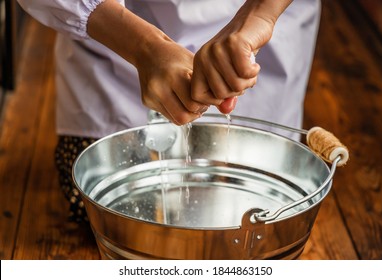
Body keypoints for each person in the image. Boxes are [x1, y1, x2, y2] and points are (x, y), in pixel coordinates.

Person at [17, 0, 321, 222]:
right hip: (114, 43)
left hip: (270, 34)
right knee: (99, 212)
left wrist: (259, 16)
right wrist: (144, 47)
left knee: (259, 209)